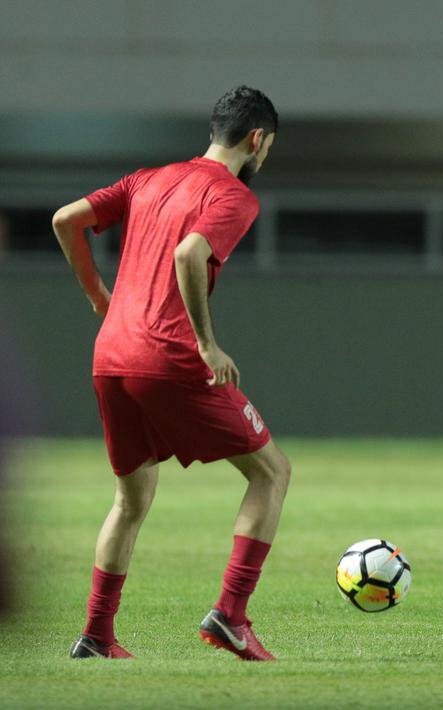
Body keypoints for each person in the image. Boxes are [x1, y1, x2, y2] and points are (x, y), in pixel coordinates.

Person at [52, 86, 291, 661]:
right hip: (168, 355)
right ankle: (231, 614)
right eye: (268, 147)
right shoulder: (233, 195)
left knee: (130, 499)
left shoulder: (146, 178)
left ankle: (96, 635)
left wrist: (96, 295)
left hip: (110, 355)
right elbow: (190, 254)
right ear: (257, 140)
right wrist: (207, 344)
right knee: (271, 472)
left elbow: (66, 219)